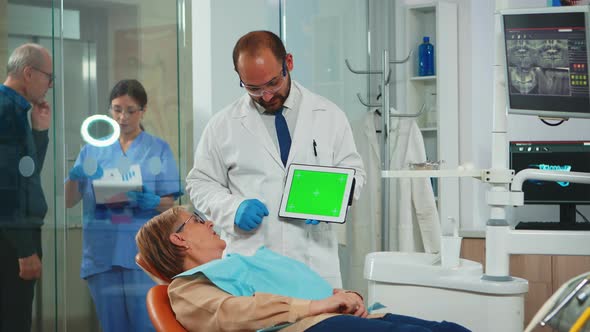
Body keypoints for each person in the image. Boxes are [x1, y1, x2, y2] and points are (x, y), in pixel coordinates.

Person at [185, 30, 366, 288]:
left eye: (272, 83)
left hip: (313, 260)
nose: (266, 96)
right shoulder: (223, 125)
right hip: (253, 263)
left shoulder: (328, 114)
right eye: (253, 88)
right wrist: (233, 209)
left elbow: (354, 172)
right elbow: (200, 183)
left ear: (288, 63)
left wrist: (333, 200)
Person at [135, 206, 471, 332]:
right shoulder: (187, 287)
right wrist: (317, 306)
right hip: (310, 327)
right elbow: (234, 314)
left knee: (448, 329)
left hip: (335, 317)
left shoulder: (239, 264)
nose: (209, 221)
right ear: (179, 240)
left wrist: (344, 296)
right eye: (196, 219)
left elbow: (305, 287)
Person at [64, 79, 182, 332]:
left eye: (130, 110)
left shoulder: (157, 148)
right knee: (112, 326)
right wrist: (74, 177)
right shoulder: (92, 150)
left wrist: (152, 201)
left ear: (143, 111)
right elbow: (69, 200)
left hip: (144, 253)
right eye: (117, 109)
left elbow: (170, 204)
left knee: (146, 324)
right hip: (102, 254)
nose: (122, 117)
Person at [0, 43, 53, 332]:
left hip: (13, 232)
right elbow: (6, 188)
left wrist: (39, 132)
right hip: (10, 239)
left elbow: (27, 173)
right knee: (14, 321)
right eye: (48, 77)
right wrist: (24, 249)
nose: (50, 85)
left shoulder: (18, 111)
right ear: (29, 73)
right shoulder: (6, 112)